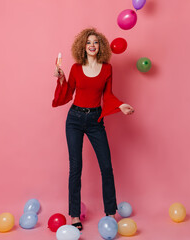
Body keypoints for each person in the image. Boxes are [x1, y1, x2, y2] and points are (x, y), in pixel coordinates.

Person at [52, 28, 134, 231]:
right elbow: (68, 93)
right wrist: (61, 78)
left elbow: (109, 95)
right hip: (75, 119)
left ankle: (110, 212)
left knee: (106, 167)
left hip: (95, 120)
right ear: (83, 46)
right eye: (89, 42)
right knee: (76, 167)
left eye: (96, 42)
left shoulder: (107, 69)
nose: (92, 45)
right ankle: (74, 216)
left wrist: (121, 105)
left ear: (100, 46)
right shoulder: (76, 68)